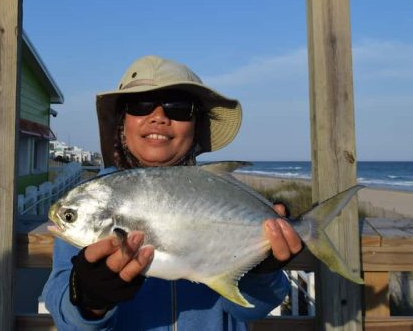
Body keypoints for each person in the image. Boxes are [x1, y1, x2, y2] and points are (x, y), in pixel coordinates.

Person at [42, 55, 302, 330]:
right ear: (123, 122)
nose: (158, 117)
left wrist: (260, 272)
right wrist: (88, 300)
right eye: (140, 105)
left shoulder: (222, 190)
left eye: (178, 108)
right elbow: (64, 313)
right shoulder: (93, 198)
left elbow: (252, 310)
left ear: (196, 125)